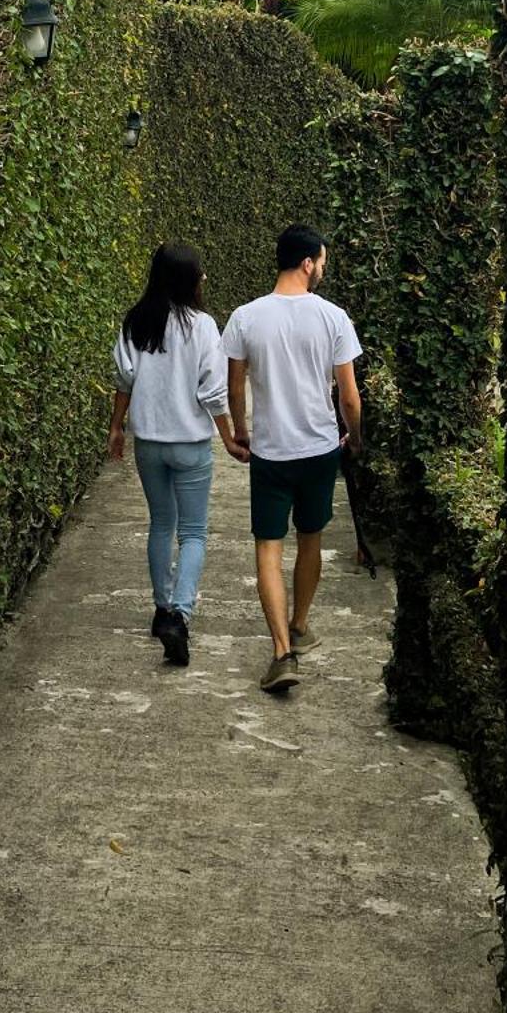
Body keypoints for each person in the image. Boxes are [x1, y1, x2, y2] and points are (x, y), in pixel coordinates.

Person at [223, 224, 362, 694]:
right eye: (321, 261)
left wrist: (241, 434)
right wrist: (355, 438)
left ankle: (282, 652)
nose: (322, 268)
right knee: (310, 539)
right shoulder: (333, 317)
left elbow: (235, 388)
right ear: (308, 263)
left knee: (267, 547)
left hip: (271, 451)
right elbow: (349, 397)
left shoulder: (245, 317)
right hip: (320, 449)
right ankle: (301, 624)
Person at [108, 243, 249, 668]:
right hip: (190, 444)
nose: (204, 278)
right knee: (193, 533)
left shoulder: (136, 321)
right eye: (200, 273)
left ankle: (160, 608)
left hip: (148, 442)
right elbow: (211, 390)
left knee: (160, 524)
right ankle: (180, 616)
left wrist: (116, 426)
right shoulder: (203, 326)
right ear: (188, 280)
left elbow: (124, 377)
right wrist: (227, 437)